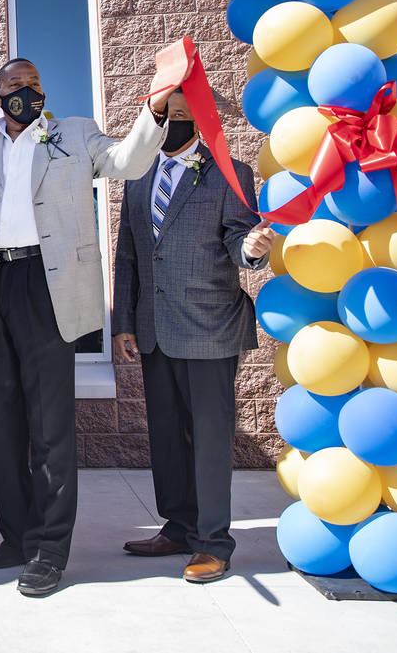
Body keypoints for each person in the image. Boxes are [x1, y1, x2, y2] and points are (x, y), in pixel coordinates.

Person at [0, 57, 172, 597]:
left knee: (50, 427)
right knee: (3, 426)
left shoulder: (74, 134)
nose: (25, 92)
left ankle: (50, 549)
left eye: (33, 83)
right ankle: (15, 538)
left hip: (48, 286)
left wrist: (153, 110)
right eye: (14, 85)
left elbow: (126, 162)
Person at [112, 89, 274, 583]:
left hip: (209, 326)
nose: (174, 123)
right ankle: (179, 526)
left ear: (201, 122)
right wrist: (123, 323)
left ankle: (213, 543)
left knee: (207, 438)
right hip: (154, 329)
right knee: (166, 435)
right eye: (167, 115)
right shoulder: (138, 176)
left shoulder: (231, 172)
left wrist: (251, 249)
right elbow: (130, 257)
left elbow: (238, 238)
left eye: (184, 115)